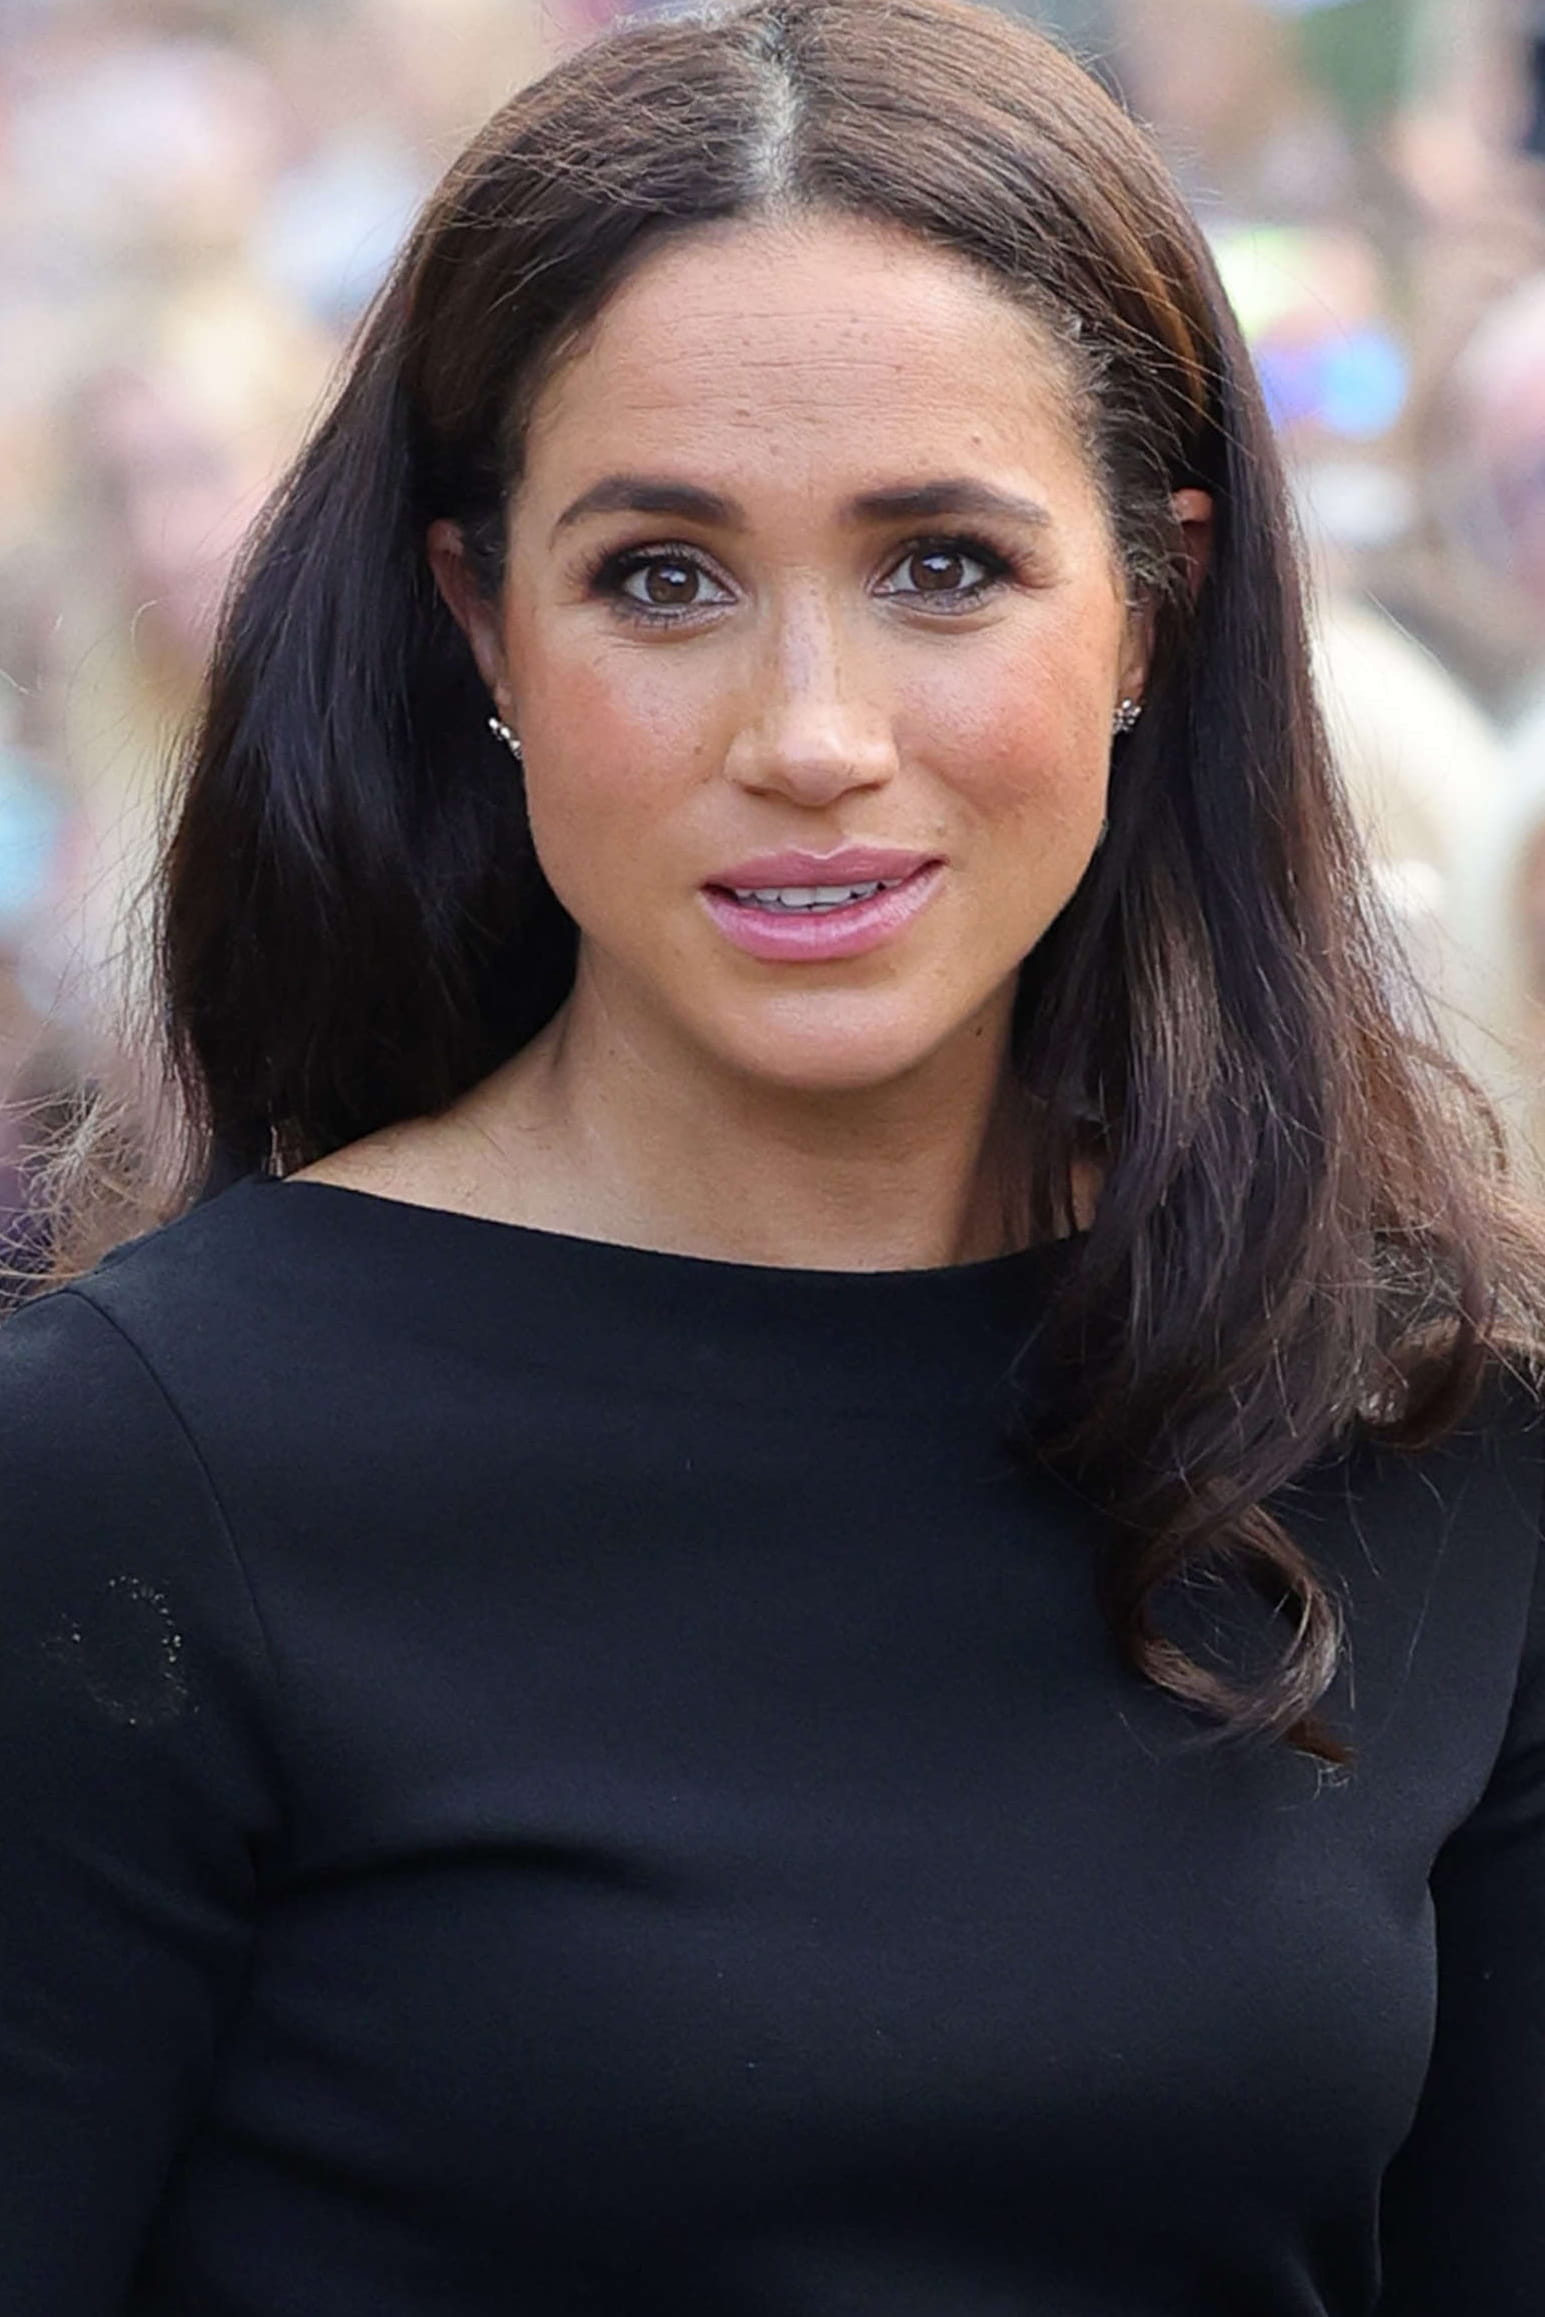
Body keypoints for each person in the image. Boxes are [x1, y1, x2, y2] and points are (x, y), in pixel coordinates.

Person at [2, 1, 1543, 2310]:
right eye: (662, 575)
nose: (809, 734)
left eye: (940, 566)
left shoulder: (1425, 1426)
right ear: (479, 616)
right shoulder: (135, 1472)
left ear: (1154, 598)